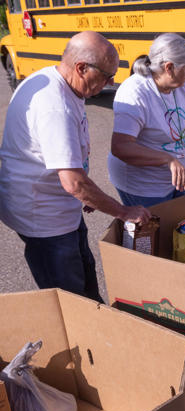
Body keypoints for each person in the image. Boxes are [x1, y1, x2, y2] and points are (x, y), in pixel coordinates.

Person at [0, 31, 151, 302]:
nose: (111, 82)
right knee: (70, 299)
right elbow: (73, 182)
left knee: (85, 277)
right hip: (44, 218)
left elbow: (73, 176)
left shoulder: (58, 81)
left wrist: (88, 194)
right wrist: (123, 211)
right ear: (81, 68)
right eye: (107, 75)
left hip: (58, 204)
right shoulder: (55, 107)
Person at [108, 33, 185, 207]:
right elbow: (121, 147)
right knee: (156, 231)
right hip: (143, 187)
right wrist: (168, 159)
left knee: (177, 229)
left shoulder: (182, 89)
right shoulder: (135, 92)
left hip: (174, 180)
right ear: (169, 67)